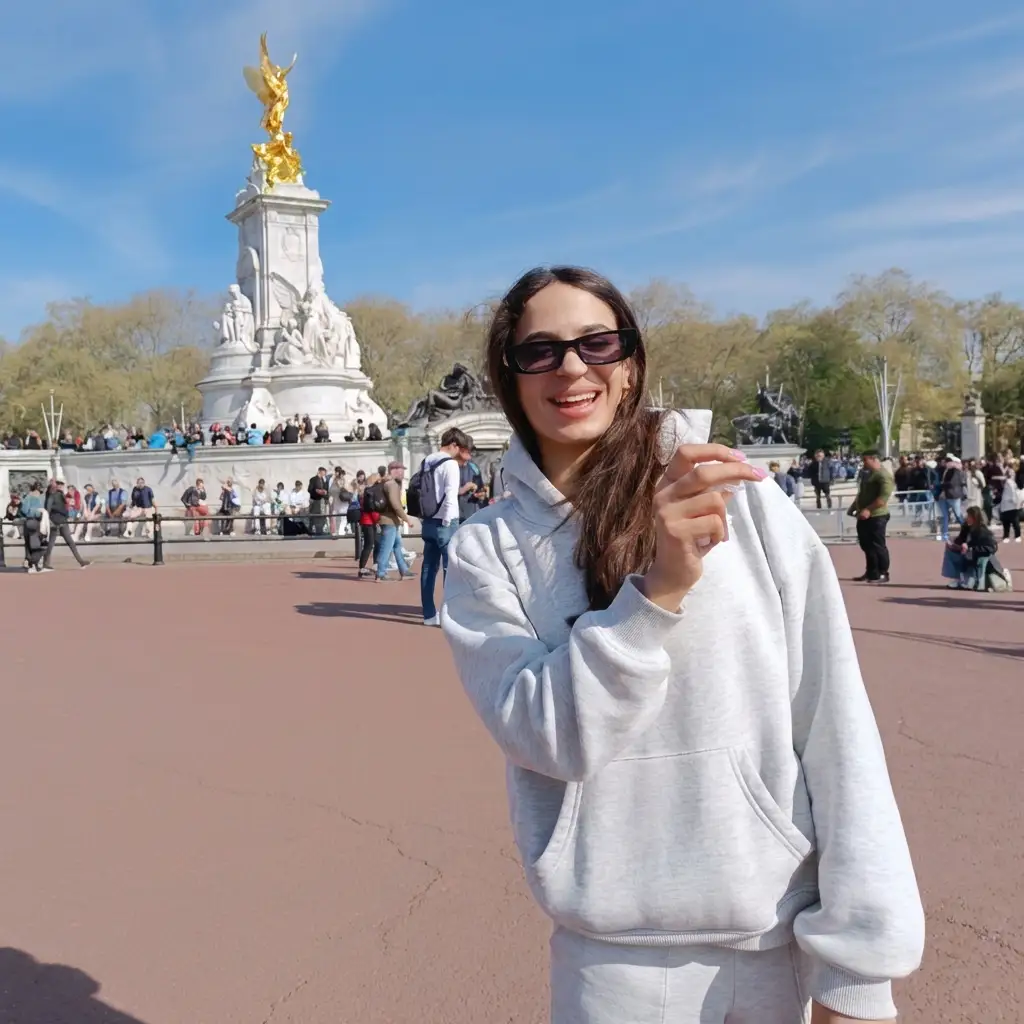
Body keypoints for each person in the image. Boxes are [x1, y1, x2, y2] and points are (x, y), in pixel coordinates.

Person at [440, 266, 923, 1024]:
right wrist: (656, 593)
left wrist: (859, 970)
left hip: (773, 946)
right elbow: (550, 737)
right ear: (511, 378)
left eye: (597, 344)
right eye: (539, 351)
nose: (571, 368)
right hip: (611, 959)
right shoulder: (485, 549)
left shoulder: (739, 495)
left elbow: (833, 723)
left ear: (631, 366)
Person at [418, 426, 473, 625]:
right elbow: (450, 495)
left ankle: (429, 614)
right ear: (453, 445)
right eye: (460, 448)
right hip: (446, 521)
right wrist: (449, 521)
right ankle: (450, 614)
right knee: (451, 571)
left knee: (428, 567)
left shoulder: (427, 461)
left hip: (428, 519)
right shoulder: (450, 464)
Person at [848, 450, 893, 583]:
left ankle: (883, 573)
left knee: (878, 545)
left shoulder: (883, 475)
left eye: (865, 460)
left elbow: (883, 498)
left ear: (874, 459)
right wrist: (854, 507)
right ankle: (872, 572)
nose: (863, 463)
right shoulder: (869, 474)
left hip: (877, 516)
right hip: (864, 515)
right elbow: (862, 494)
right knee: (866, 545)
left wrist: (868, 509)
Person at [375, 461, 416, 582]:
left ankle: (404, 570)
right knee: (387, 547)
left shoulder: (387, 483)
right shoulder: (392, 484)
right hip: (389, 521)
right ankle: (381, 573)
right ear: (394, 471)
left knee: (397, 546)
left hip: (390, 520)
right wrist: (406, 519)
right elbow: (396, 505)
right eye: (401, 470)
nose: (403, 473)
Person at [941, 506, 1000, 589]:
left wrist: (971, 549)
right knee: (950, 551)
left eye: (969, 516)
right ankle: (957, 578)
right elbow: (961, 540)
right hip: (967, 553)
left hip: (977, 554)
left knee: (963, 557)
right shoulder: (966, 527)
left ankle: (966, 579)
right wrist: (954, 544)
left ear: (975, 518)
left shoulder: (982, 531)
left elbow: (992, 548)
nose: (966, 518)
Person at [43, 481, 90, 570]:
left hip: (61, 521)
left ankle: (81, 561)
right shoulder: (52, 496)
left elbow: (63, 506)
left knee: (69, 542)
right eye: (59, 485)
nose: (60, 487)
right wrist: (50, 521)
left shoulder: (59, 495)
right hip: (56, 522)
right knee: (52, 543)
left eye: (61, 485)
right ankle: (46, 563)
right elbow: (48, 510)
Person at [20, 481, 47, 573]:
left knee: (29, 544)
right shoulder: (42, 497)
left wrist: (31, 511)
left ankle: (30, 563)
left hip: (29, 521)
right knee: (37, 544)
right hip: (39, 522)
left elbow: (24, 510)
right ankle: (34, 564)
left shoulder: (28, 497)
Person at [997, 468, 1022, 543]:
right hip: (1011, 505)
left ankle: (1007, 536)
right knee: (1014, 522)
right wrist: (1016, 502)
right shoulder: (1010, 482)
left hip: (1007, 506)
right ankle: (1016, 536)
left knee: (1007, 522)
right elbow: (1013, 493)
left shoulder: (1009, 482)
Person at [307, 468, 330, 536]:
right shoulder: (313, 479)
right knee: (314, 515)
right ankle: (311, 530)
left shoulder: (323, 480)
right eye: (323, 472)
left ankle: (320, 530)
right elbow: (310, 489)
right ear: (320, 471)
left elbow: (325, 489)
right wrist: (317, 491)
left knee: (321, 515)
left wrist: (324, 492)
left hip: (322, 500)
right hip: (315, 500)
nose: (324, 474)